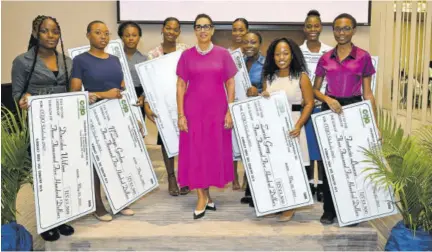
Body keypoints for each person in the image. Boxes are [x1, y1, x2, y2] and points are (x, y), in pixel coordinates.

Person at [11, 15, 75, 242]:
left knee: (63, 170)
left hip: (63, 122)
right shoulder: (23, 61)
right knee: (44, 174)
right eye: (46, 31)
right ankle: (47, 220)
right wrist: (24, 99)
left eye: (55, 31)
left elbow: (72, 91)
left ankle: (63, 216)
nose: (51, 36)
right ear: (36, 33)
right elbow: (16, 94)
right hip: (39, 124)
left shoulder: (67, 61)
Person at [313, 13, 377, 225]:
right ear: (333, 31)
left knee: (352, 161)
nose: (341, 33)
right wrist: (328, 99)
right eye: (338, 29)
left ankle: (351, 209)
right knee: (329, 161)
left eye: (346, 28)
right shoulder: (325, 58)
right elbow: (315, 90)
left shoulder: (364, 57)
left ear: (353, 30)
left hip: (354, 109)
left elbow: (368, 93)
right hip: (329, 109)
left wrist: (373, 127)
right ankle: (329, 210)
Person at [70, 20, 135, 222]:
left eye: (106, 33)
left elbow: (122, 87)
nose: (103, 36)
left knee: (117, 157)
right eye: (98, 32)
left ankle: (120, 199)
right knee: (98, 162)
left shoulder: (115, 59)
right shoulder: (80, 60)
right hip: (94, 116)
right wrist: (102, 94)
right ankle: (97, 205)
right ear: (88, 35)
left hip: (116, 114)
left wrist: (129, 106)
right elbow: (74, 92)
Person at [176, 14, 237, 219]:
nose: (203, 30)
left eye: (206, 26)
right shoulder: (186, 56)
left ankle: (208, 196)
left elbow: (230, 83)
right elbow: (181, 85)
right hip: (193, 111)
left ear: (212, 30)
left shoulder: (223, 54)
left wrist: (230, 110)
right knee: (195, 152)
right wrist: (181, 114)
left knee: (211, 153)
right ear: (195, 30)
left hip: (217, 111)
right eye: (198, 26)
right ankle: (201, 196)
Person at [259, 38, 314, 222]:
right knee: (276, 167)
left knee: (293, 168)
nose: (281, 57)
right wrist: (262, 97)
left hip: (293, 126)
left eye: (285, 53)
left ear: (292, 55)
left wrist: (299, 125)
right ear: (272, 56)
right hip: (273, 127)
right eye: (277, 54)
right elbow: (264, 103)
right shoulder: (269, 77)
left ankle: (291, 206)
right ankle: (279, 204)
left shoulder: (301, 76)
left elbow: (309, 103)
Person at [144, 17, 190, 196]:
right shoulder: (153, 54)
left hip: (183, 101)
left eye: (175, 29)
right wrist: (148, 103)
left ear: (179, 32)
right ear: (162, 29)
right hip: (162, 104)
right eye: (168, 28)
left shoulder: (185, 51)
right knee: (166, 140)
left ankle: (184, 177)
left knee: (186, 140)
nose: (171, 32)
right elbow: (149, 83)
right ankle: (171, 177)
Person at [300, 10, 333, 201]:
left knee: (322, 147)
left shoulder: (330, 52)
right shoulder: (297, 51)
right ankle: (307, 185)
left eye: (316, 25)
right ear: (304, 29)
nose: (313, 29)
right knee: (306, 147)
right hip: (304, 106)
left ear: (321, 27)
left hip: (324, 105)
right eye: (309, 26)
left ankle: (320, 185)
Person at [240, 31, 266, 206]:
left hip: (259, 111)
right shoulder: (236, 62)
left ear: (259, 44)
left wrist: (258, 91)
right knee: (246, 149)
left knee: (259, 150)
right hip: (240, 111)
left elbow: (270, 87)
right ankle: (249, 187)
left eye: (253, 42)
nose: (249, 45)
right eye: (246, 42)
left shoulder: (266, 63)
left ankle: (257, 190)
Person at [229, 18, 249, 190]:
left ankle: (247, 176)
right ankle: (234, 175)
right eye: (234, 30)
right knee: (231, 140)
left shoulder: (252, 53)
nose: (238, 33)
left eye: (241, 30)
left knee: (248, 141)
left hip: (249, 104)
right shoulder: (226, 54)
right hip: (231, 102)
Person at [118, 21, 147, 113]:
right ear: (122, 37)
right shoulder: (114, 57)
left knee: (139, 127)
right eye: (127, 35)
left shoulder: (145, 59)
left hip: (138, 98)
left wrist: (143, 97)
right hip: (118, 96)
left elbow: (147, 83)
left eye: (134, 35)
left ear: (139, 37)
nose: (131, 38)